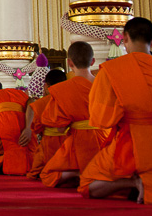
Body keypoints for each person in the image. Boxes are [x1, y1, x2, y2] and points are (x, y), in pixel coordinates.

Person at [79, 18, 152, 205]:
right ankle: (147, 180)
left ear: (125, 37)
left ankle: (132, 182)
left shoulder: (112, 70)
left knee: (88, 185)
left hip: (127, 145)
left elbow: (101, 119)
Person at [40, 41, 109, 188]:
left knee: (47, 175)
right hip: (106, 139)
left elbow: (59, 128)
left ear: (69, 62)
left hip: (79, 141)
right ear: (93, 61)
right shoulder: (105, 84)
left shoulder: (62, 89)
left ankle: (77, 172)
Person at [23, 69, 68, 181]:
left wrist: (28, 128)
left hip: (49, 145)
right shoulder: (70, 99)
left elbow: (35, 122)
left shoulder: (41, 103)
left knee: (37, 173)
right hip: (69, 144)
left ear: (46, 85)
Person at [0, 74, 30, 176]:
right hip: (22, 126)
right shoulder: (18, 93)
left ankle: (3, 164)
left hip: (0, 128)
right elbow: (31, 102)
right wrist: (28, 128)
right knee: (25, 150)